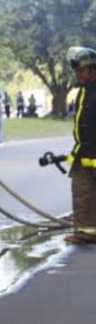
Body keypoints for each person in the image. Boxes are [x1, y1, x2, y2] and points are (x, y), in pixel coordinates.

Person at [66, 46, 96, 244]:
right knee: (83, 193)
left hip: (92, 153)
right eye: (77, 71)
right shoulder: (84, 91)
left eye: (81, 70)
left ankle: (87, 232)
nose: (78, 74)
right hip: (84, 152)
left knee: (85, 193)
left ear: (93, 70)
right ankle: (86, 232)